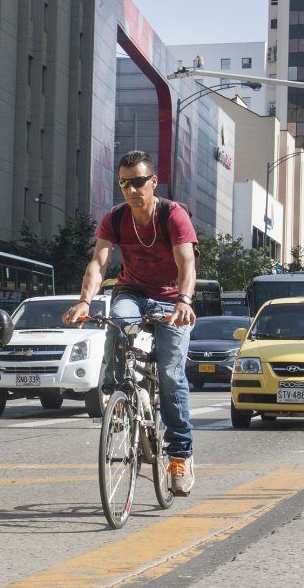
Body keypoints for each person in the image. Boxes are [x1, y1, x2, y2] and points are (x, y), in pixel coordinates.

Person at [62, 150, 197, 496]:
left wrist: (184, 301)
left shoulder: (173, 215)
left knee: (170, 373)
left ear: (153, 181)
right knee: (118, 320)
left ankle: (180, 455)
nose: (131, 189)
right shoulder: (115, 218)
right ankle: (118, 395)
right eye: (124, 183)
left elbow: (186, 264)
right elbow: (99, 262)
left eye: (138, 182)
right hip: (133, 291)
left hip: (171, 299)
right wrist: (84, 301)